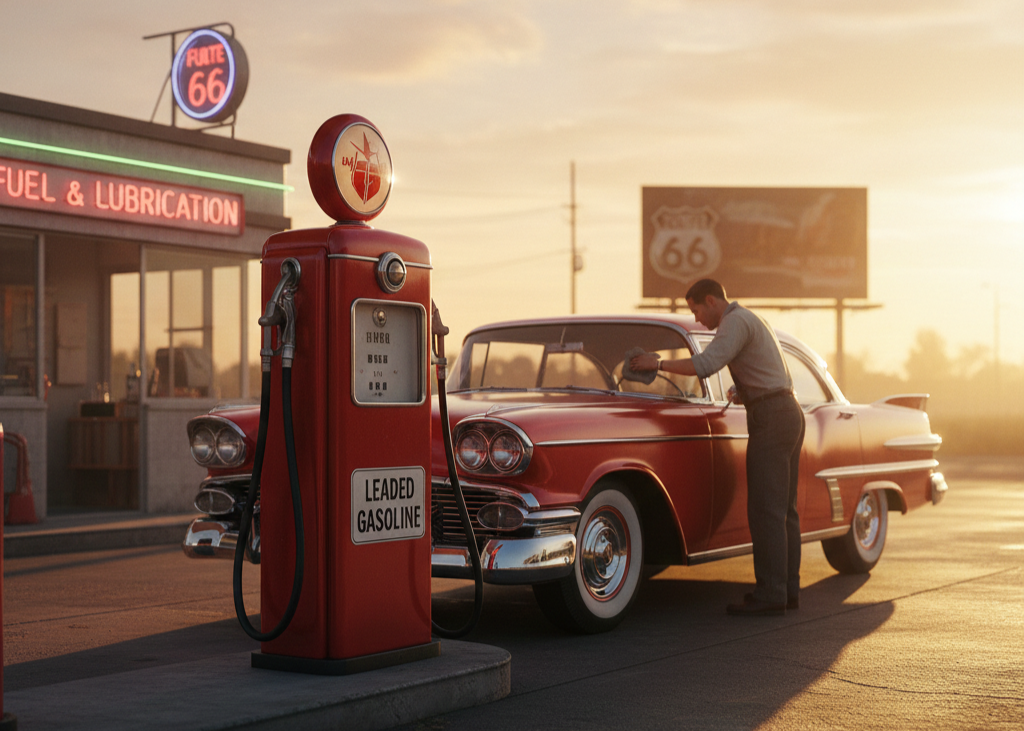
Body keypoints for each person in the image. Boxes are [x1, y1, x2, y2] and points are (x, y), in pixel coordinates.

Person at [631, 279, 805, 616]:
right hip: (786, 411)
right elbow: (765, 369)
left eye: (696, 310)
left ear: (711, 301)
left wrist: (658, 364)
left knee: (766, 510)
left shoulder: (734, 322)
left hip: (771, 416)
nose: (697, 319)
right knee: (785, 511)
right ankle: (787, 591)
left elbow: (706, 364)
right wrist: (747, 392)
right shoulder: (752, 319)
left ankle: (770, 595)